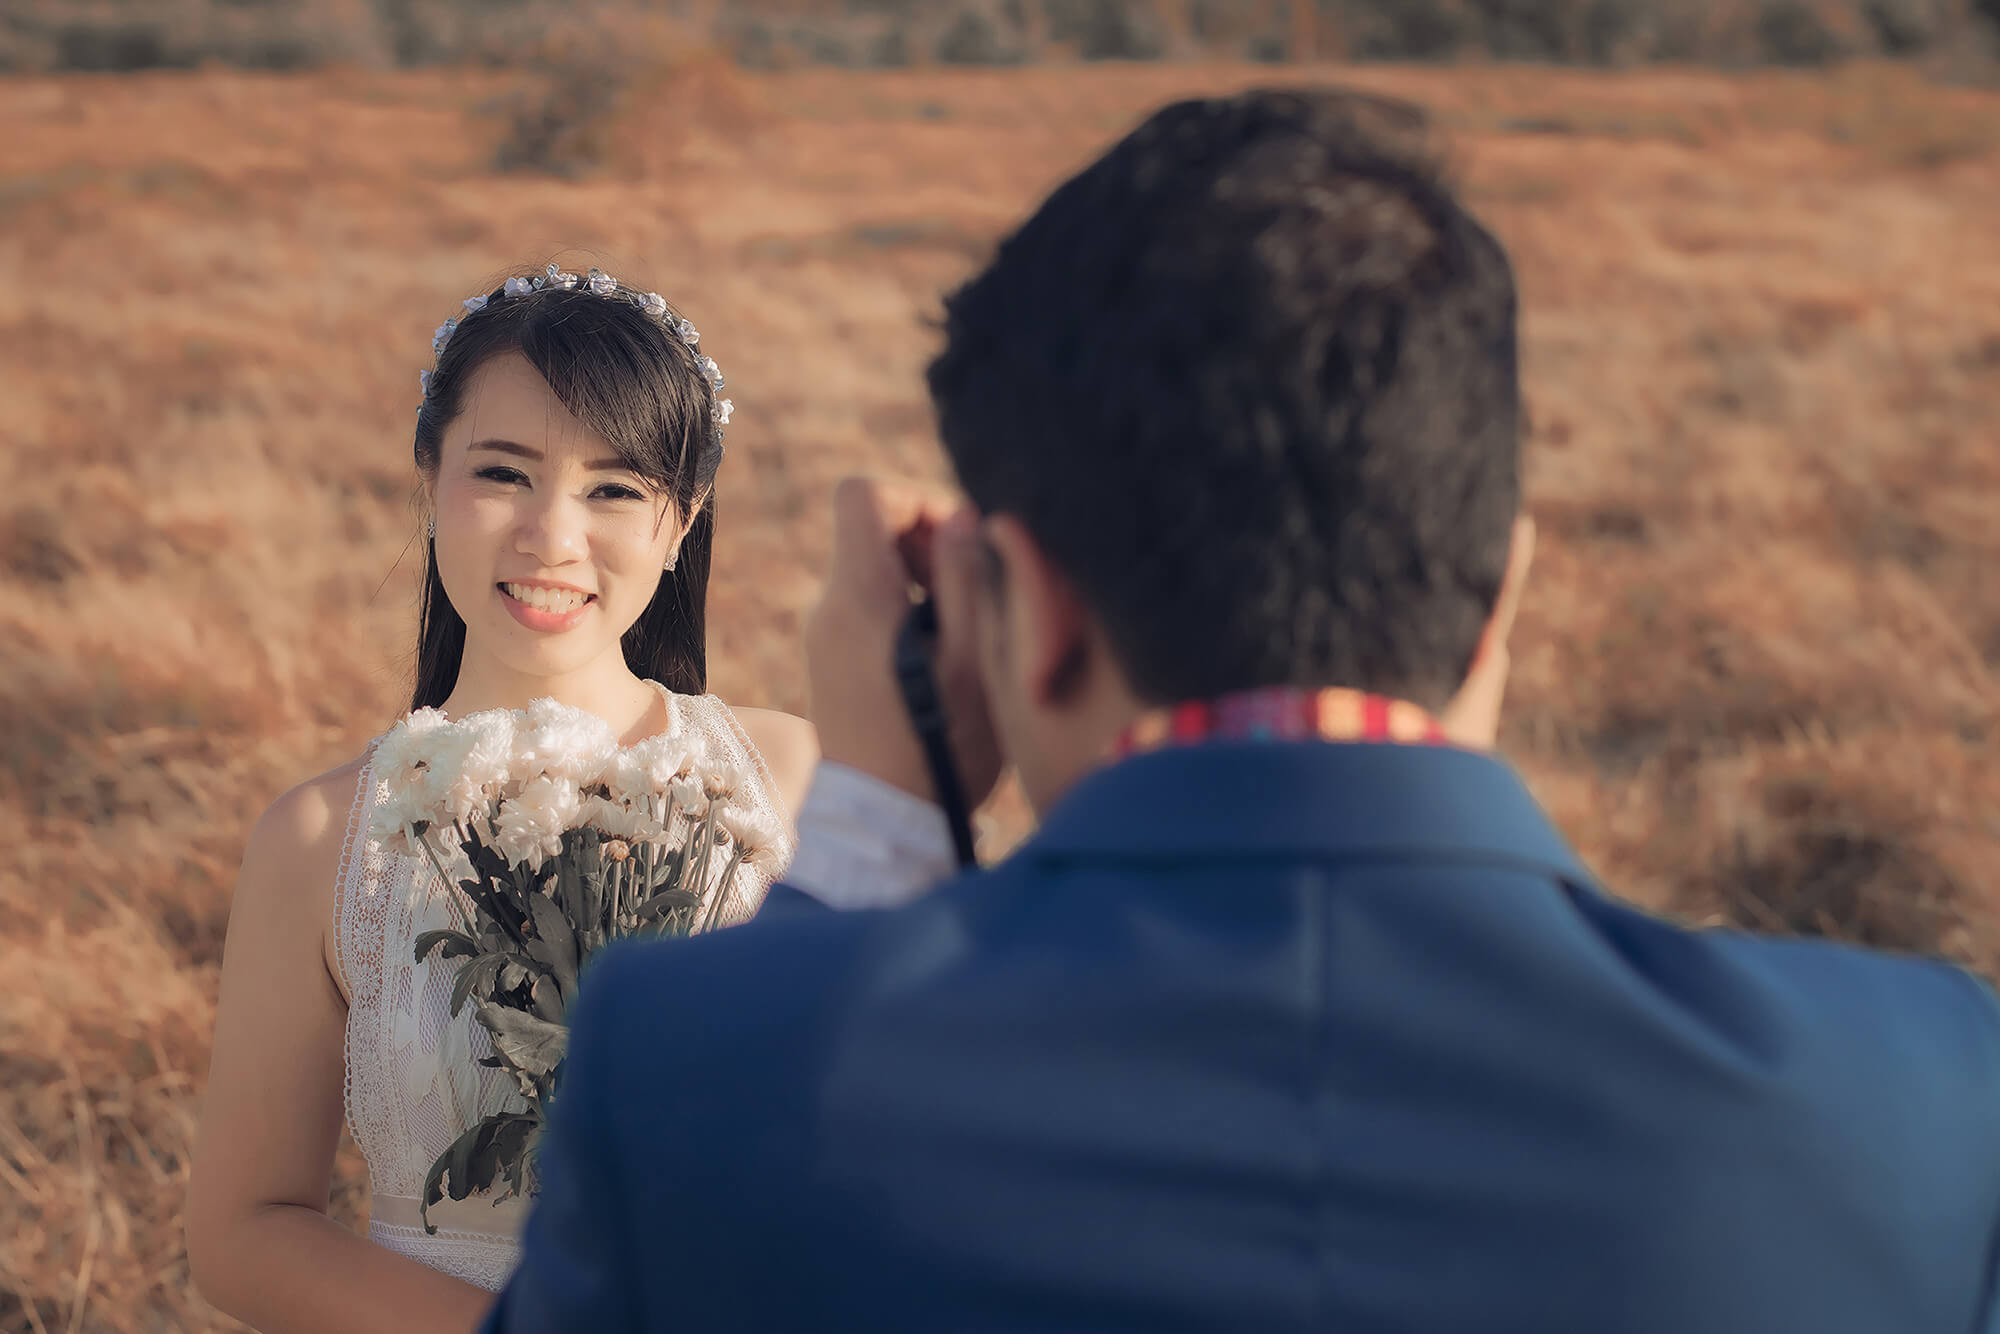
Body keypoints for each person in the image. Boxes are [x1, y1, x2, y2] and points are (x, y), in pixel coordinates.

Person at [486, 91, 2000, 1333]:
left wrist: (880, 816)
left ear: (1032, 608)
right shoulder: (1917, 1097)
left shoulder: (704, 1074)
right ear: (1501, 599)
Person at [185, 263, 818, 1333]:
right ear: (429, 476)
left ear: (681, 520)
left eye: (614, 488)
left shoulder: (792, 775)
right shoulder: (323, 838)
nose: (551, 536)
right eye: (504, 473)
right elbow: (244, 1230)